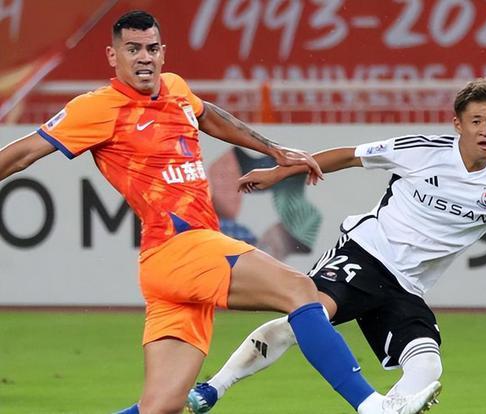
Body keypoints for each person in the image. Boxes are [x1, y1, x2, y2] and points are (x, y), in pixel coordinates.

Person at [0, 10, 441, 414]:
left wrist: (272, 149)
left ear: (163, 52)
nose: (144, 58)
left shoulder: (175, 88)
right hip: (179, 246)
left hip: (171, 268)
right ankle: (373, 406)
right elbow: (23, 154)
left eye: (151, 48)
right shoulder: (96, 107)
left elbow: (208, 115)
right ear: (112, 56)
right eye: (132, 49)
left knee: (161, 407)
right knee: (300, 291)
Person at [186, 78, 486, 413]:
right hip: (365, 254)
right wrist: (278, 171)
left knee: (427, 365)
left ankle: (390, 408)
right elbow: (349, 156)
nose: (484, 129)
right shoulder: (423, 151)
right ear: (457, 124)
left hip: (407, 288)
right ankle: (214, 388)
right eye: (475, 120)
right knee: (307, 315)